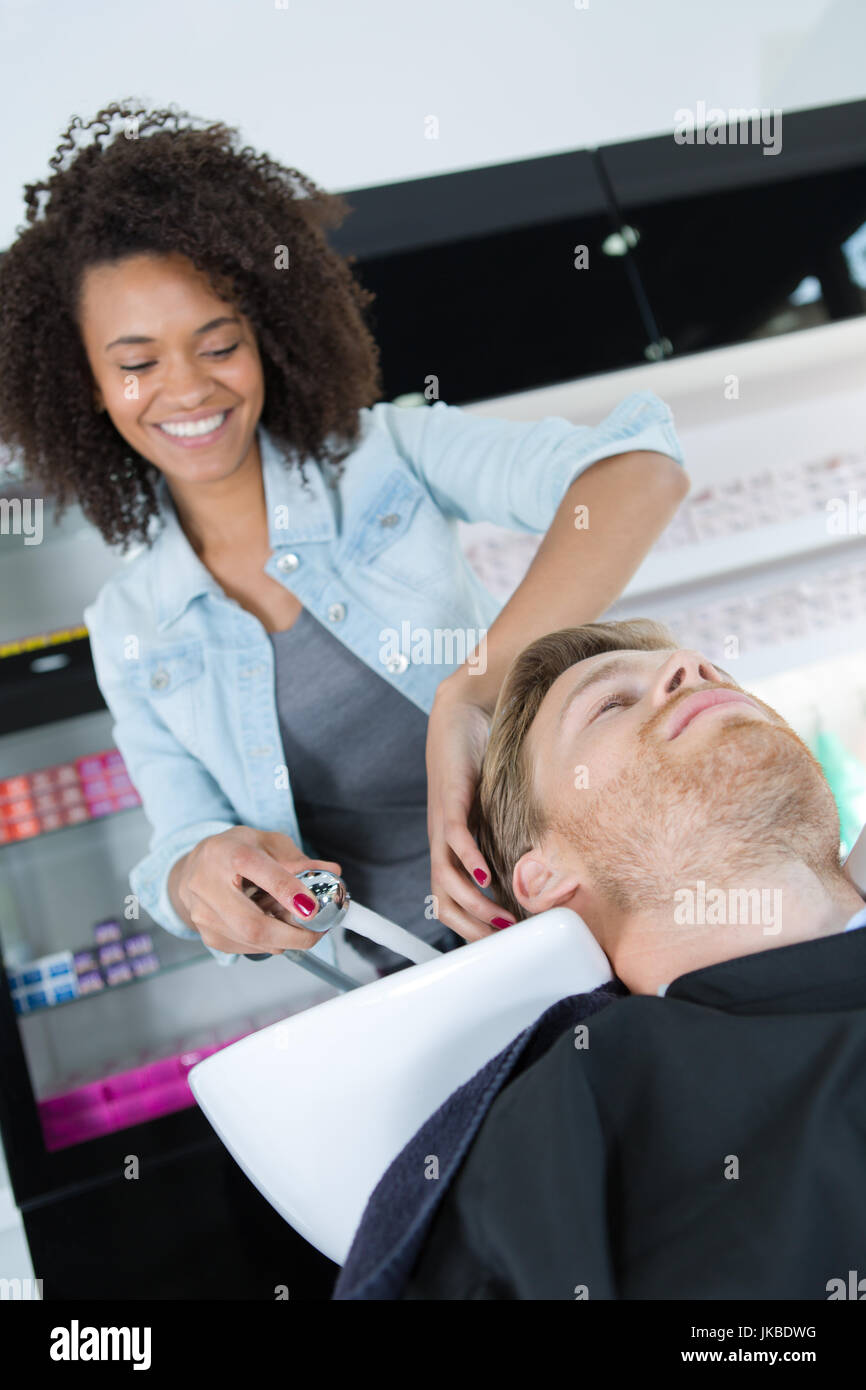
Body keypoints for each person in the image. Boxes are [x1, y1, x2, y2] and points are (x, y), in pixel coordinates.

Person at [0, 102, 688, 976]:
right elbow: (180, 834)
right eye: (137, 364)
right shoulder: (132, 624)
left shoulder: (382, 456)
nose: (187, 389)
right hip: (408, 978)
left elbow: (638, 471)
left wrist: (471, 693)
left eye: (218, 345)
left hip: (600, 897)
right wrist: (197, 875)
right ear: (87, 385)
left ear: (266, 339)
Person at [390, 619, 866, 1298]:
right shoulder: (568, 1127)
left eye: (714, 674)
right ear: (542, 878)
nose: (694, 669)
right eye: (610, 703)